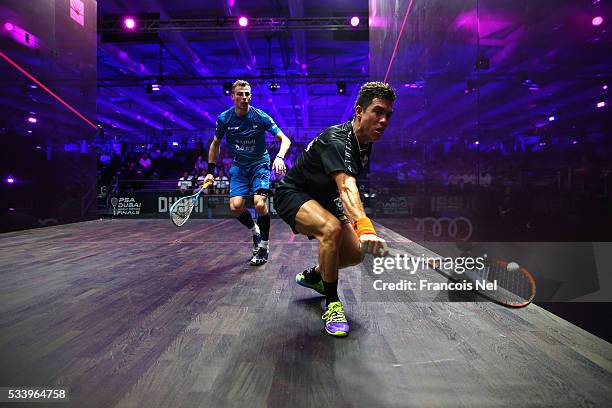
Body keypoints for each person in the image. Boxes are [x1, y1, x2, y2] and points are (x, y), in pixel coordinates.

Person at [273, 82, 395, 337]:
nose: (383, 120)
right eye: (377, 112)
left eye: (388, 115)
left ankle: (316, 275)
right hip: (293, 193)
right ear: (359, 111)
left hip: (324, 198)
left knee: (355, 254)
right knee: (330, 230)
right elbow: (347, 187)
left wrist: (356, 229)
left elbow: (342, 188)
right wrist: (365, 227)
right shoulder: (337, 139)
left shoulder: (365, 144)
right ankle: (332, 303)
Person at [203, 79, 291, 266]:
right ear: (232, 96)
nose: (244, 97)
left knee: (260, 205)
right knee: (235, 207)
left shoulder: (260, 117)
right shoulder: (224, 119)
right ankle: (255, 231)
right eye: (240, 94)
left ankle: (264, 247)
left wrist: (280, 157)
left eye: (247, 94)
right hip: (240, 167)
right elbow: (215, 144)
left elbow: (285, 139)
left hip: (260, 164)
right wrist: (210, 171)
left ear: (250, 96)